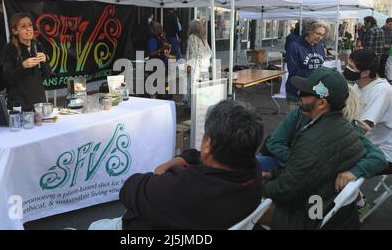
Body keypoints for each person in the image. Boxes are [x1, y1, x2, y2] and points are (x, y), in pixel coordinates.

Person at [89, 100, 264, 230]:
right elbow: (196, 156)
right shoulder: (252, 171)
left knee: (95, 226)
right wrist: (176, 161)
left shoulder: (184, 188)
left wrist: (160, 174)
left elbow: (129, 189)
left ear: (208, 145)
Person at [262, 67, 366, 229]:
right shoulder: (345, 127)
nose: (298, 95)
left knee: (242, 206)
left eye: (304, 93)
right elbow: (313, 171)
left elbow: (285, 191)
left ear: (322, 103)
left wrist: (255, 186)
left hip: (310, 214)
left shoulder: (314, 139)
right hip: (330, 208)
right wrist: (273, 173)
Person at [260, 83, 387, 189]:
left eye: (312, 95)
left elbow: (377, 157)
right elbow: (274, 142)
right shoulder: (300, 114)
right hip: (288, 168)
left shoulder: (346, 129)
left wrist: (354, 172)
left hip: (303, 184)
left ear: (324, 103)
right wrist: (299, 162)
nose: (303, 98)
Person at [343, 49, 392, 166]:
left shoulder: (383, 91)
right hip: (364, 145)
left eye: (351, 66)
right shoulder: (357, 85)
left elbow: (364, 126)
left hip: (380, 152)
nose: (347, 69)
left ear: (365, 73)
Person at [2, 13, 52, 111]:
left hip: (38, 100)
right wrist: (23, 66)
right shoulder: (10, 48)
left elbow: (47, 74)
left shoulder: (37, 44)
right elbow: (8, 77)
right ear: (15, 31)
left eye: (30, 25)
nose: (28, 29)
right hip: (20, 102)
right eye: (23, 26)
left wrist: (45, 61)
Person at [285, 19, 327, 109]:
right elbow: (293, 71)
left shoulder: (320, 46)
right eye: (317, 34)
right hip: (297, 89)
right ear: (309, 31)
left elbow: (321, 65)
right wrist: (315, 75)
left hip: (316, 88)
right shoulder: (294, 46)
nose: (320, 37)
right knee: (296, 119)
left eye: (322, 35)